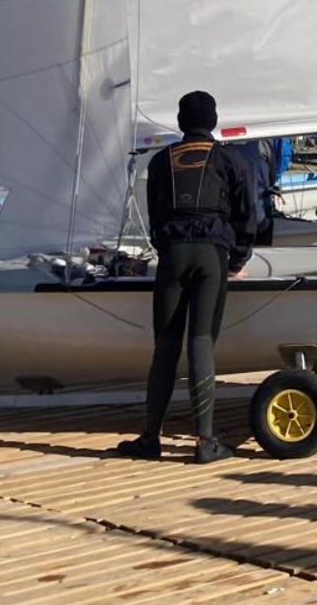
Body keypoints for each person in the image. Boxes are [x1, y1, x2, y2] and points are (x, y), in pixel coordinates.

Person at [116, 90, 254, 464]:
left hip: (174, 257)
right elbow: (247, 215)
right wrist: (237, 258)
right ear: (212, 121)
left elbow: (157, 214)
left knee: (165, 347)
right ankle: (205, 441)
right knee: (201, 344)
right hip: (212, 257)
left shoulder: (162, 161)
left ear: (180, 123)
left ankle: (150, 439)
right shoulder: (230, 160)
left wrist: (168, 247)